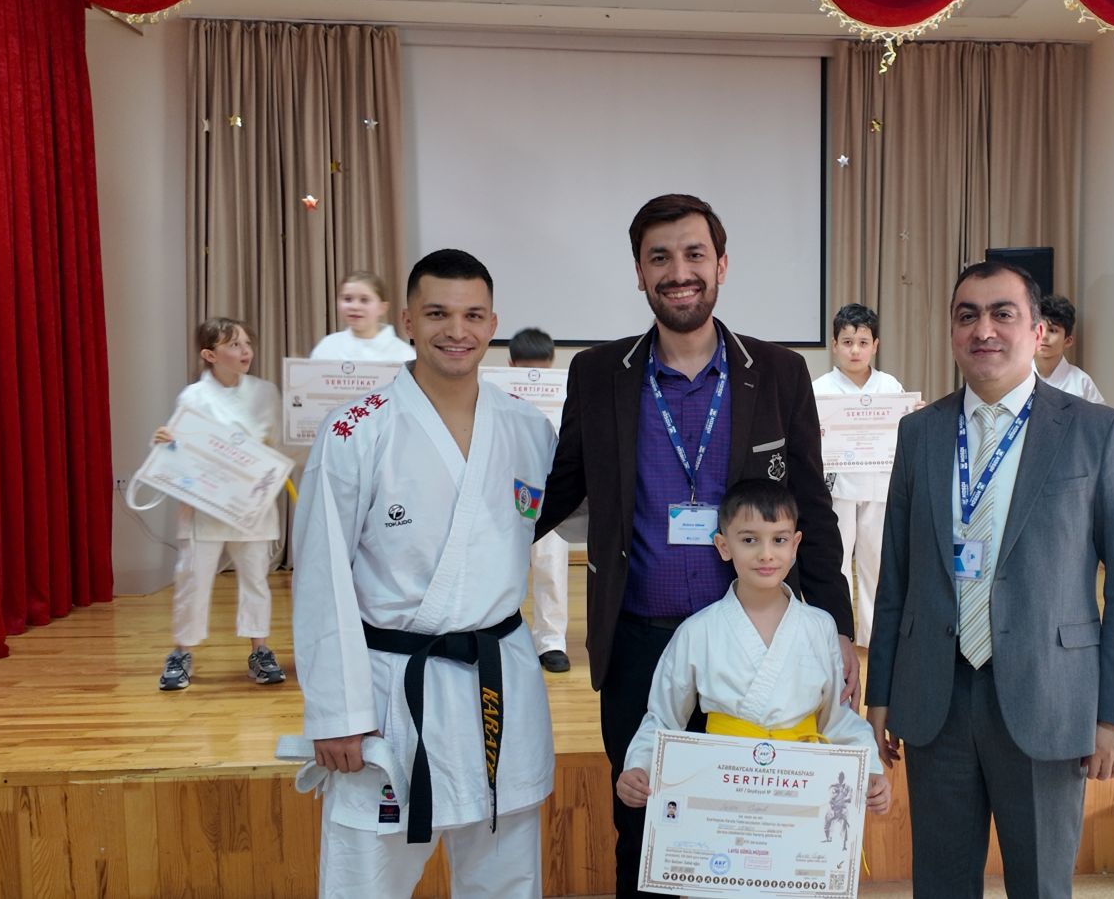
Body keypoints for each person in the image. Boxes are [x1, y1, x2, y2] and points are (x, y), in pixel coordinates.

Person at [536, 194, 857, 898]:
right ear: (639, 273)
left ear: (721, 265)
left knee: (755, 841)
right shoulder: (598, 373)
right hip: (639, 645)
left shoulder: (778, 371)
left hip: (751, 645)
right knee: (644, 831)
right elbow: (560, 488)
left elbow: (812, 504)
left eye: (694, 254)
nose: (678, 272)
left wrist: (838, 627)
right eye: (660, 257)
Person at [865, 261, 1114, 898]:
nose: (984, 329)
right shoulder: (919, 433)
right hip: (936, 696)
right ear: (952, 331)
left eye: (1003, 313)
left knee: (1042, 886)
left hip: (1049, 697)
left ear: (1038, 330)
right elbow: (897, 572)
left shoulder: (1095, 431)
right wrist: (880, 689)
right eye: (967, 315)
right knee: (940, 886)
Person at [292, 249, 556, 898]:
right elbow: (321, 579)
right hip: (389, 690)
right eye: (437, 314)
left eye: (472, 315)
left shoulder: (528, 428)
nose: (456, 331)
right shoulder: (355, 430)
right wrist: (337, 712)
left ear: (493, 324)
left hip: (498, 683)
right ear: (408, 321)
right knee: (365, 880)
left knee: (506, 876)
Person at [614, 479, 888, 821]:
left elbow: (838, 719)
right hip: (721, 786)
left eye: (779, 540)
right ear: (723, 545)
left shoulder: (820, 627)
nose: (766, 554)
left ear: (795, 544)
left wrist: (870, 768)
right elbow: (663, 718)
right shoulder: (698, 631)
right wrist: (639, 767)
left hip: (800, 786)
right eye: (749, 540)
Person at [152, 317, 285, 690]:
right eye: (234, 345)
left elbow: (278, 446)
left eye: (247, 343)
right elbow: (179, 450)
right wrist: (165, 442)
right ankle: (182, 652)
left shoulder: (265, 393)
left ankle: (260, 650)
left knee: (255, 579)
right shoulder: (192, 397)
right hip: (204, 507)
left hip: (251, 505)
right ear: (210, 355)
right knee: (192, 580)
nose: (245, 351)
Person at [810, 303, 906, 648]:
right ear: (834, 344)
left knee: (875, 563)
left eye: (863, 343)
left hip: (879, 485)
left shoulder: (890, 386)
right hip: (836, 487)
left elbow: (903, 431)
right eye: (847, 342)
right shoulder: (819, 388)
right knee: (835, 563)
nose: (855, 350)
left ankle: (872, 639)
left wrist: (914, 415)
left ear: (875, 346)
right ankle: (838, 635)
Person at [508, 327, 571, 674]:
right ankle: (505, 634)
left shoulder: (564, 394)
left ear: (551, 364)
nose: (534, 376)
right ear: (511, 366)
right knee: (504, 564)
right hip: (505, 491)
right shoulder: (494, 394)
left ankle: (551, 641)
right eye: (525, 369)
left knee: (550, 564)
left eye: (541, 369)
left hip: (550, 491)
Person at [309, 271, 417, 362]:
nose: (355, 307)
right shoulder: (327, 346)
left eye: (364, 300)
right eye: (347, 299)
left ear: (382, 307)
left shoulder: (403, 354)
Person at [1033, 294, 1104, 404]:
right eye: (1039, 329)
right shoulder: (1016, 378)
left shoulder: (1082, 383)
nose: (1044, 336)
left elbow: (1101, 415)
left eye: (1053, 330)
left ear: (1068, 341)